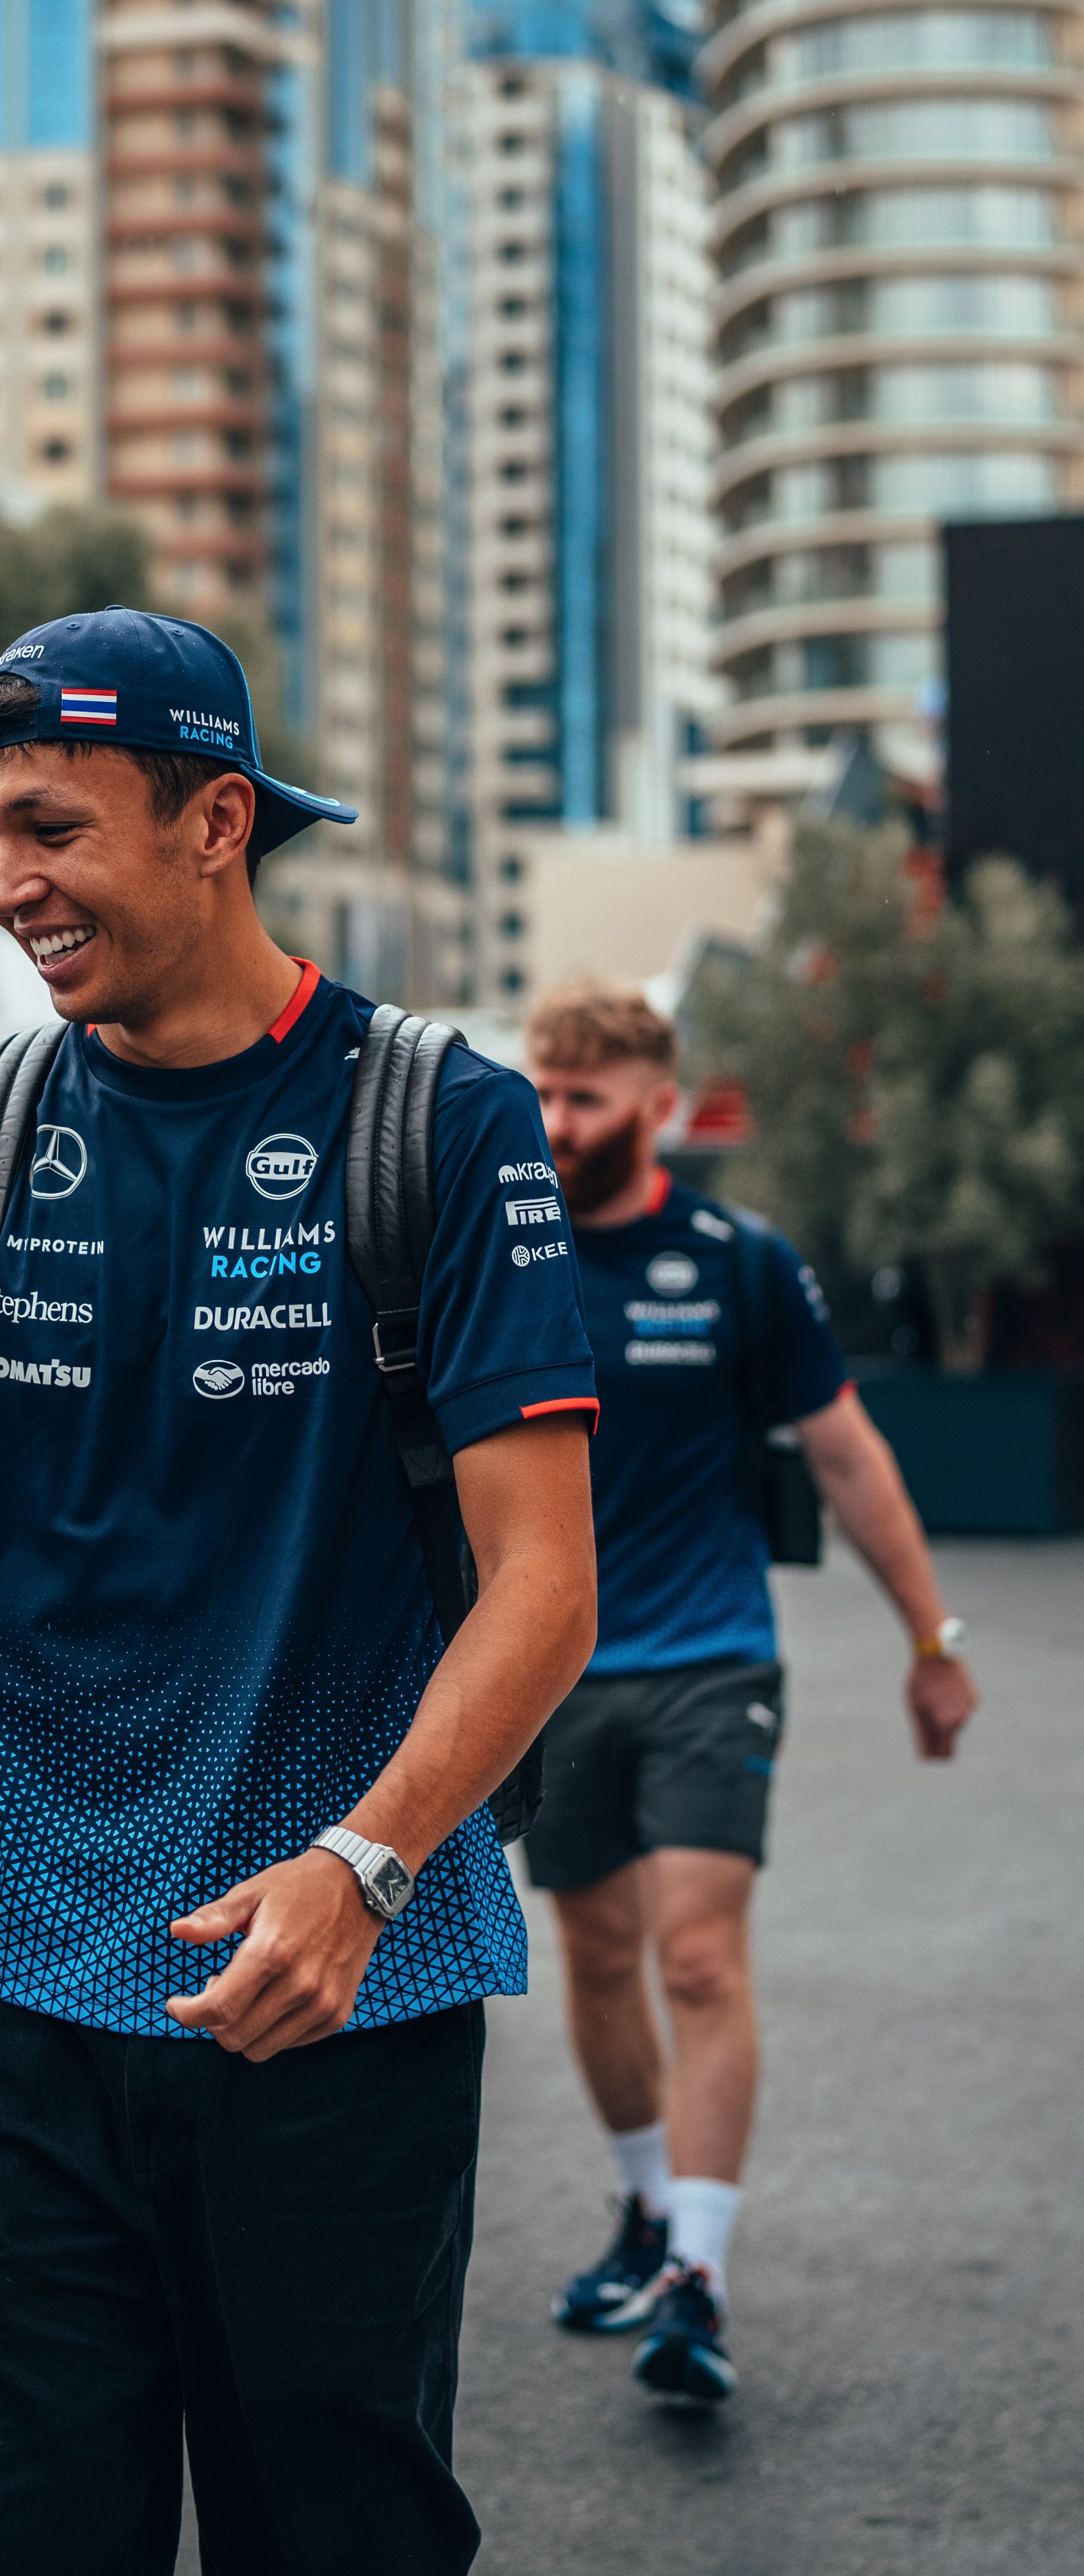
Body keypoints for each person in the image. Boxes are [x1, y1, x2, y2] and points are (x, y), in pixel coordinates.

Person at [0, 614, 602, 2576]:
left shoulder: (436, 1120)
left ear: (216, 822)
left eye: (49, 826)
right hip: (14, 2003)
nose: (7, 881)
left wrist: (364, 1862)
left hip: (339, 2004)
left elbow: (545, 1582)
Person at [523, 981, 978, 2408]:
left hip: (712, 1654)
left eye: (585, 1095)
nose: (554, 1120)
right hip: (547, 1670)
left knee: (699, 1955)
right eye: (541, 1088)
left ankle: (699, 2277)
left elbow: (844, 1456)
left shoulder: (738, 1259)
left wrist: (929, 1637)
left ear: (659, 1102)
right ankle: (647, 2209)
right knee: (596, 1956)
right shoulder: (504, 1251)